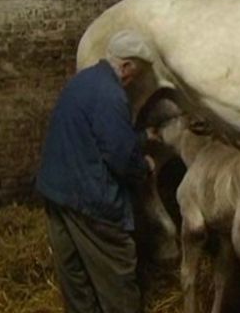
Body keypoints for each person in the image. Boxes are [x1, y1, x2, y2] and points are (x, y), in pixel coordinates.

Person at [36, 30, 158, 313]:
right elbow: (121, 157)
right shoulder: (112, 95)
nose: (136, 80)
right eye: (137, 73)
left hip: (56, 191)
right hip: (89, 199)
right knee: (117, 277)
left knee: (76, 281)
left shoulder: (84, 81)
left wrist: (140, 138)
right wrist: (144, 167)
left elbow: (94, 134)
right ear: (126, 66)